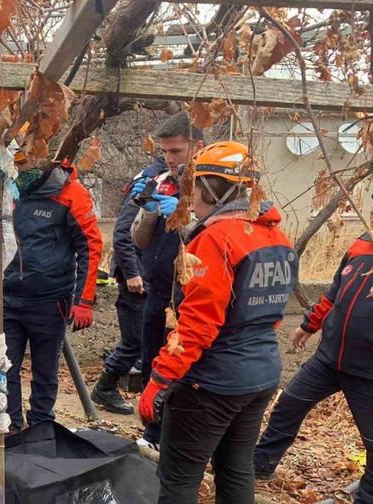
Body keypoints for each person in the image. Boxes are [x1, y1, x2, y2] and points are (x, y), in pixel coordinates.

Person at [254, 174, 373, 504]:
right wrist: (309, 325)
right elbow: (336, 291)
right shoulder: (363, 243)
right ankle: (260, 465)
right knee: (288, 405)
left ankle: (372, 499)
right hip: (330, 359)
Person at [137, 141, 297, 503]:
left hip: (212, 382)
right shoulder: (275, 236)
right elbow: (272, 313)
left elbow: (197, 324)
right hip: (260, 374)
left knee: (177, 479)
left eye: (194, 188)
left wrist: (160, 378)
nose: (189, 198)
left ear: (211, 187)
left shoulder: (216, 240)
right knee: (236, 469)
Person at [0, 155, 103, 431]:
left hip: (51, 300)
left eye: (25, 161)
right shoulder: (4, 188)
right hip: (9, 298)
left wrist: (84, 300)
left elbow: (90, 246)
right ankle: (9, 425)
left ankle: (40, 425)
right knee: (2, 366)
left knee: (45, 370)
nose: (20, 167)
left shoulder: (71, 193)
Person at [129, 112, 204, 446]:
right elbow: (140, 241)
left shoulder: (210, 187)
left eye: (176, 151)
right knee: (151, 364)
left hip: (189, 296)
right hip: (157, 292)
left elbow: (210, 239)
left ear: (197, 147)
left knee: (182, 372)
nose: (169, 159)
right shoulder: (160, 181)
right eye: (165, 152)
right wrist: (147, 213)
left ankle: (178, 438)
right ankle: (152, 433)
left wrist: (183, 215)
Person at [90, 159, 163, 415]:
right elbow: (122, 231)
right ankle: (105, 388)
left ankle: (151, 395)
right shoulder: (152, 181)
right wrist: (132, 273)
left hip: (152, 275)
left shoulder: (169, 179)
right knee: (135, 340)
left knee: (151, 341)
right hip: (138, 277)